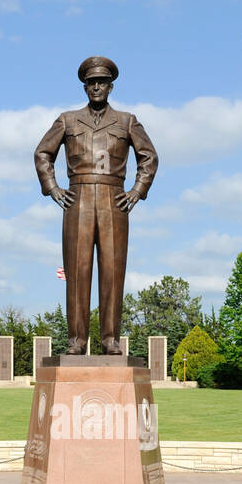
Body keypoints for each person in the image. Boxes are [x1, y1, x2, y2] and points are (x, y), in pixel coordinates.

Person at [34, 56, 158, 355]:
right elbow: (42, 154)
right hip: (77, 200)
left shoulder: (128, 121)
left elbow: (149, 157)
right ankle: (76, 341)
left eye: (102, 82)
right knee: (77, 272)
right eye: (91, 83)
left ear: (111, 86)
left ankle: (110, 340)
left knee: (112, 272)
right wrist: (52, 187)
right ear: (85, 87)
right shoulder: (67, 120)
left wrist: (137, 191)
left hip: (114, 201)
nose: (96, 87)